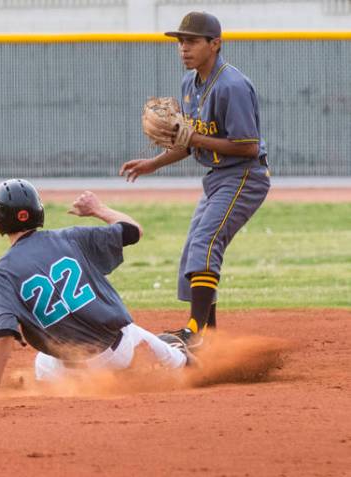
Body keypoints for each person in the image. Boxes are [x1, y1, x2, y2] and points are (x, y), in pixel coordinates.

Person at [120, 11, 271, 348]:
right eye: (180, 41)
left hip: (245, 176)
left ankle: (195, 330)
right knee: (194, 248)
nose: (183, 48)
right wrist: (152, 164)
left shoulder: (232, 86)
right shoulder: (190, 83)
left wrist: (192, 138)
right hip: (217, 177)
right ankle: (210, 336)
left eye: (191, 40)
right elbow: (188, 144)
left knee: (205, 241)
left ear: (214, 44)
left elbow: (247, 146)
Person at [0, 180, 191, 387]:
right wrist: (97, 209)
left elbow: (5, 330)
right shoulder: (70, 237)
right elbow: (133, 231)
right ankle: (172, 359)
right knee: (187, 366)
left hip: (69, 370)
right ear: (37, 211)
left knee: (43, 362)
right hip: (120, 350)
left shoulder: (2, 272)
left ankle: (91, 388)